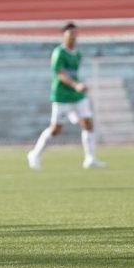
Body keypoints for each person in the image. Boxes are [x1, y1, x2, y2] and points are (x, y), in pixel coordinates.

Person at [27, 22, 106, 170]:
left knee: (88, 123)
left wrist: (79, 86)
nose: (73, 37)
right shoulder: (59, 53)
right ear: (64, 36)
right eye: (70, 34)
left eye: (75, 34)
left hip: (76, 96)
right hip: (61, 96)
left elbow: (73, 74)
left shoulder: (77, 54)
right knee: (56, 129)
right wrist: (76, 85)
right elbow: (61, 74)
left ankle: (90, 158)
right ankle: (35, 153)